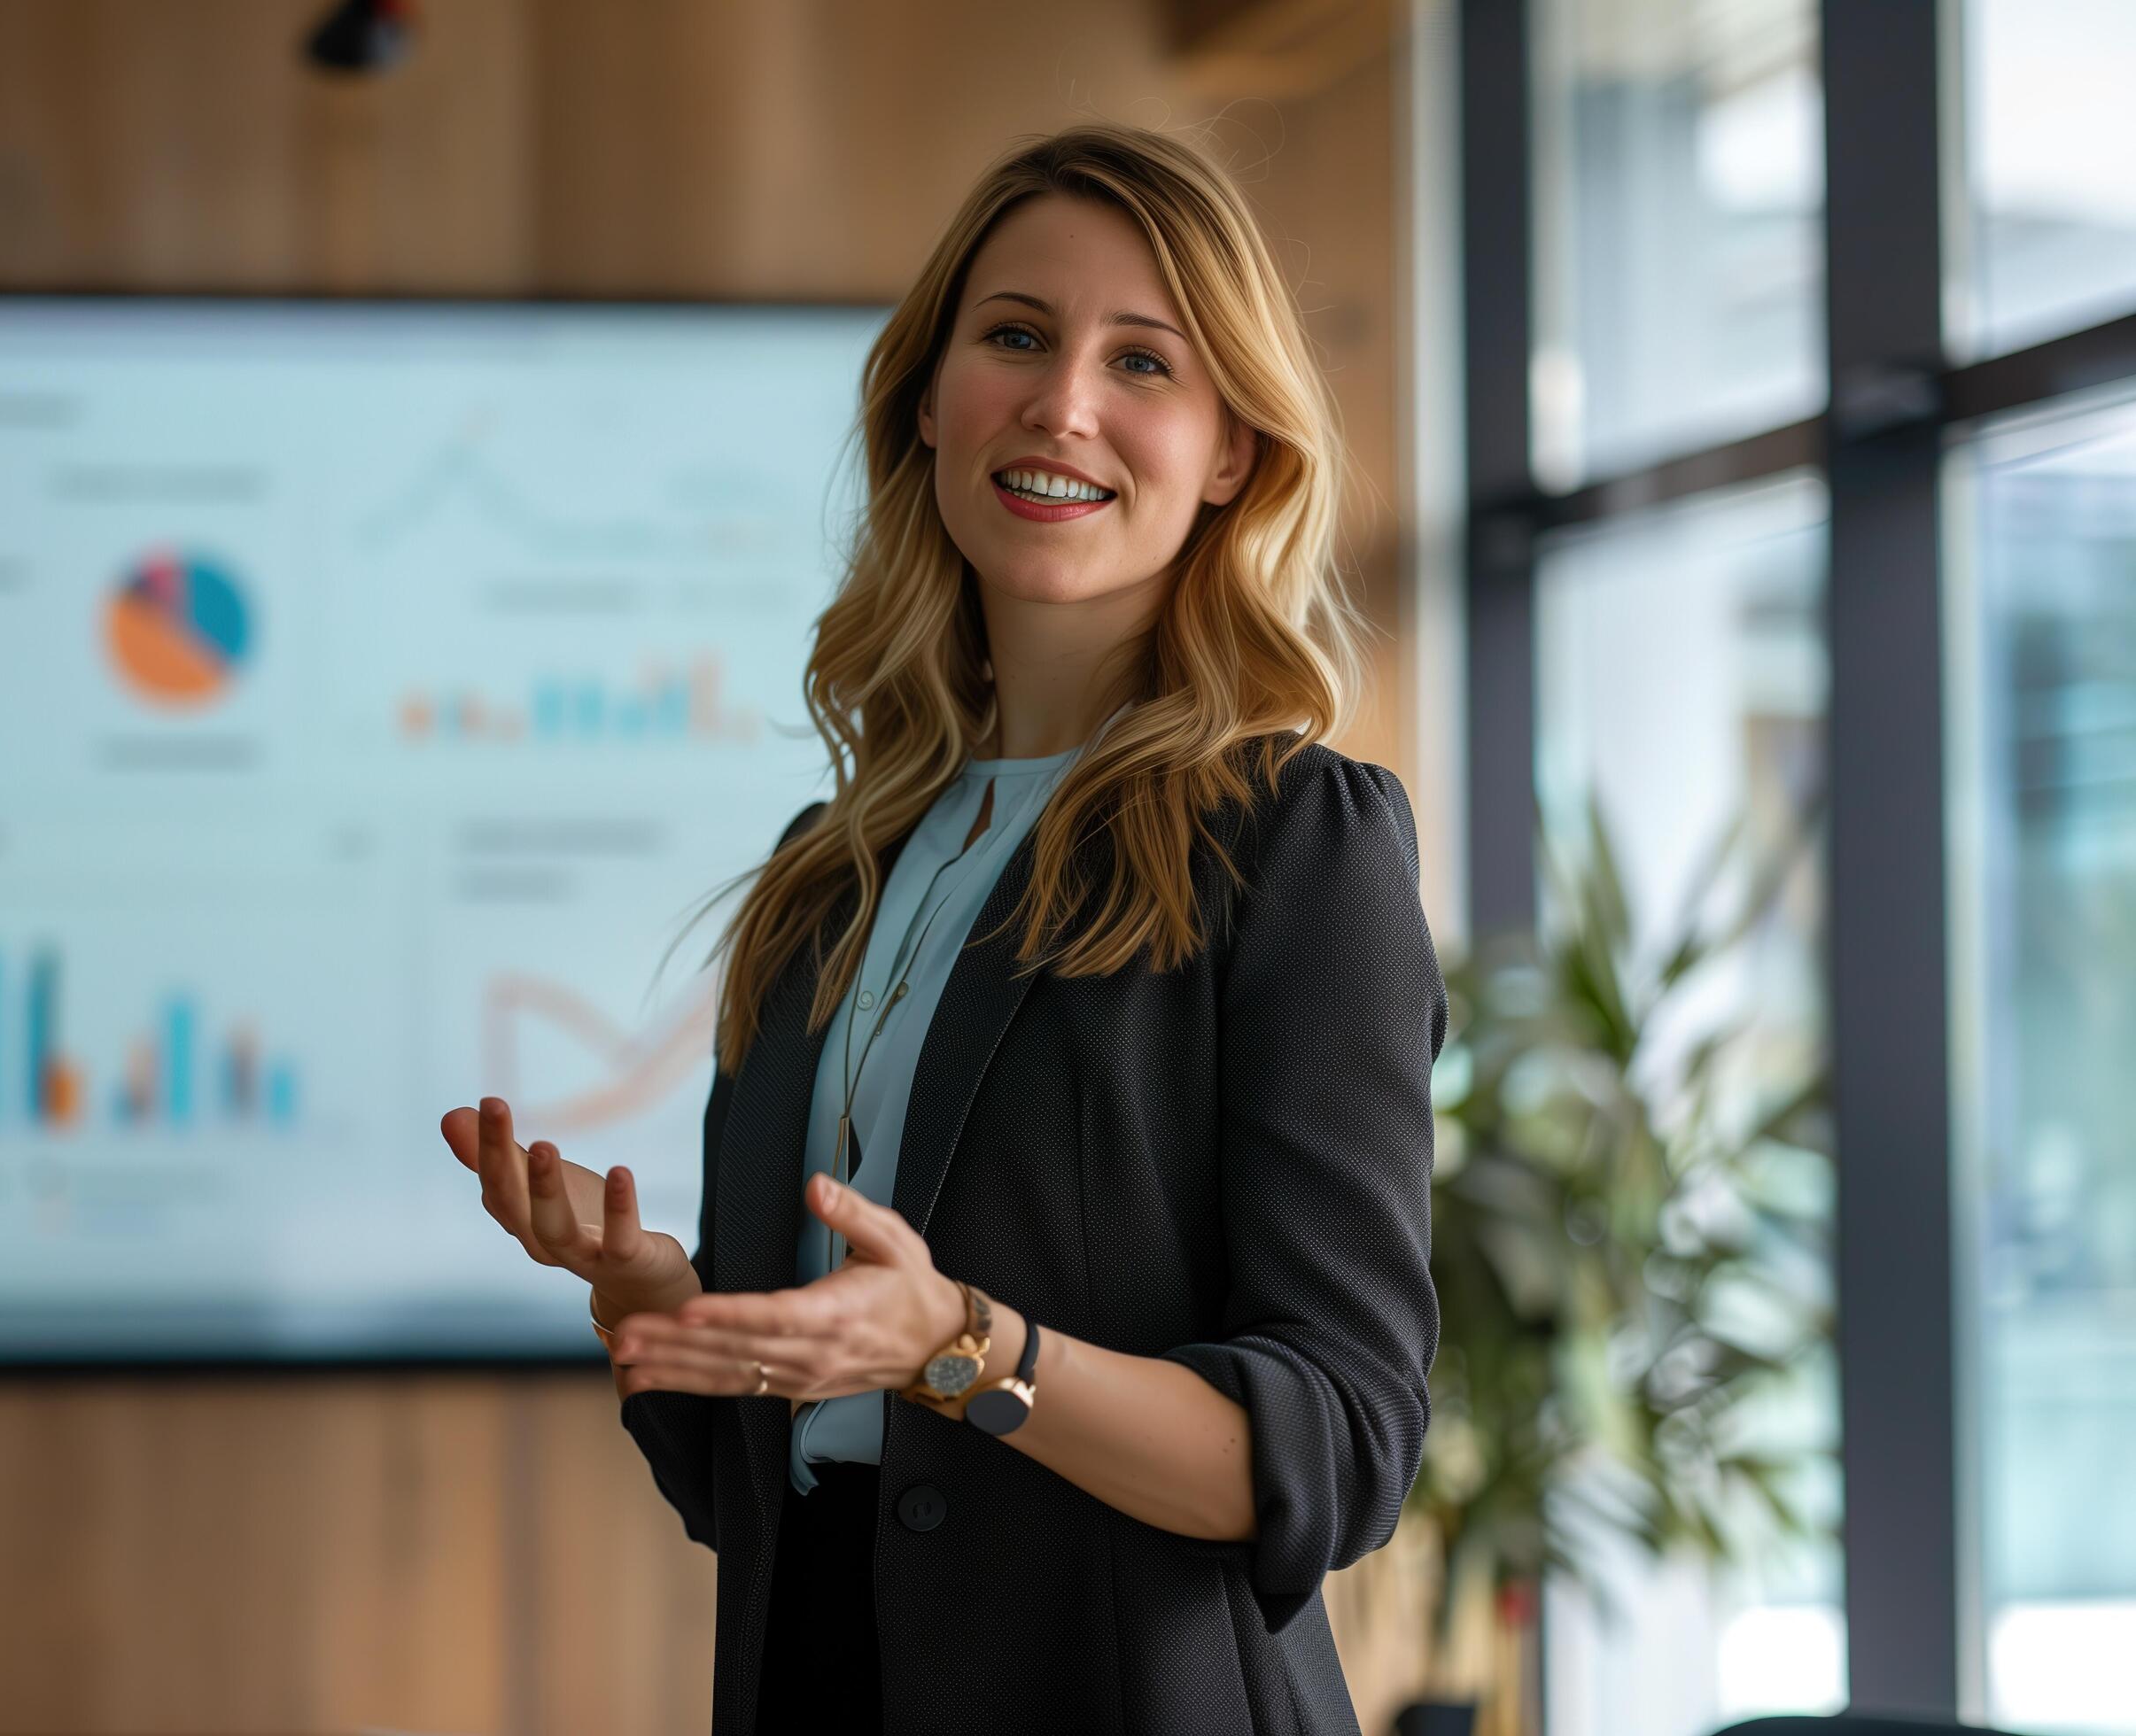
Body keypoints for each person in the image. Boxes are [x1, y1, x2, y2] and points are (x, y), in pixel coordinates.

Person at [437, 121, 1446, 1736]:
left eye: (1144, 362)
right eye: (1018, 337)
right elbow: (755, 1486)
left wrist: (963, 1344)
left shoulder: (1297, 847)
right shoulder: (826, 877)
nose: (1063, 406)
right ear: (928, 399)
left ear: (1235, 449)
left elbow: (1337, 1448)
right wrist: (645, 1296)